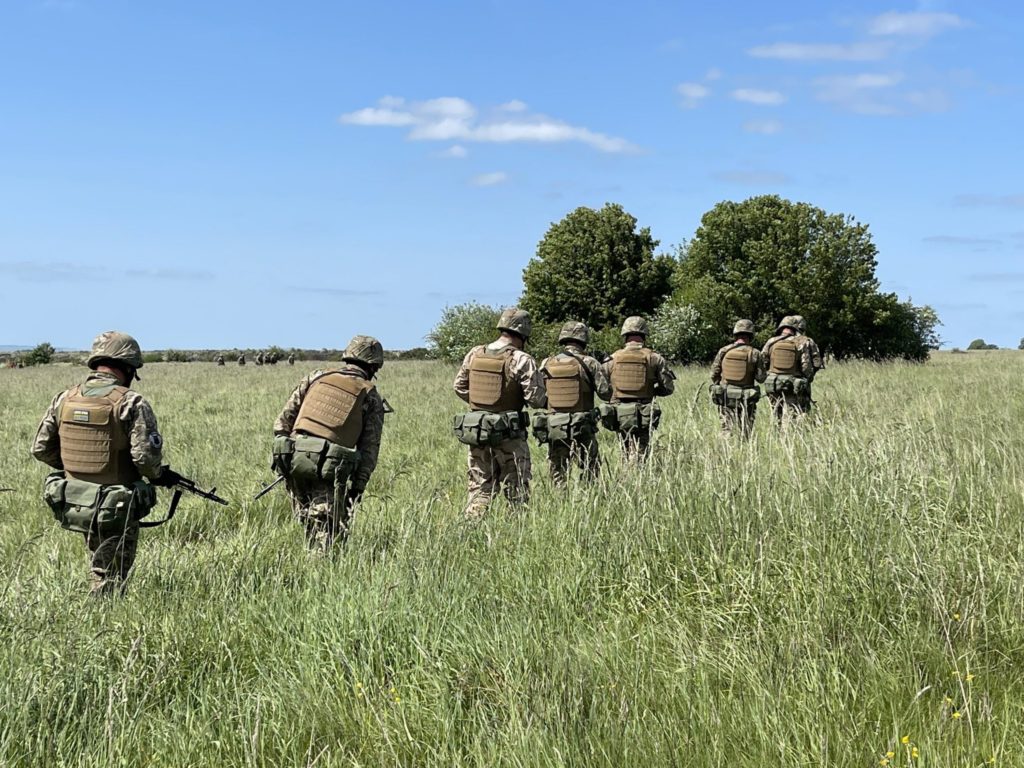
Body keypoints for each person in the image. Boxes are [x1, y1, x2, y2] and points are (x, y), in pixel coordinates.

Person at [30, 331, 181, 596]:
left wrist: (75, 469)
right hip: (116, 503)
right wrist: (156, 476)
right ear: (128, 367)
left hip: (77, 499)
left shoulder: (64, 398)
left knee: (98, 559)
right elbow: (145, 459)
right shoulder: (131, 402)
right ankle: (104, 617)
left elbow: (40, 448)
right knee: (111, 575)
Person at [272, 335, 386, 551]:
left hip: (293, 459)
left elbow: (282, 423)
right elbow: (369, 450)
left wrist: (288, 452)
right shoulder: (370, 395)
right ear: (374, 366)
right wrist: (358, 488)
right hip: (329, 469)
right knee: (328, 533)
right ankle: (319, 574)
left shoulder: (315, 377)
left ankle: (308, 562)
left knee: (307, 521)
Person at [453, 308, 546, 519]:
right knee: (516, 488)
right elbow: (536, 399)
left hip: (478, 432)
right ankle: (515, 533)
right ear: (523, 333)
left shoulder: (475, 353)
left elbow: (459, 386)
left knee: (479, 488)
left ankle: (471, 528)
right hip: (509, 435)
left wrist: (481, 405)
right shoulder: (522, 359)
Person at [536, 321, 611, 483]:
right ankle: (589, 498)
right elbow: (605, 393)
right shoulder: (590, 363)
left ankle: (559, 500)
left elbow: (539, 395)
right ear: (583, 340)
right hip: (582, 425)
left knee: (558, 470)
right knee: (591, 466)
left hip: (556, 426)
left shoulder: (546, 363)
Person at [601, 316, 675, 460]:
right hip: (644, 410)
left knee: (624, 448)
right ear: (644, 335)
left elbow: (603, 388)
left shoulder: (612, 359)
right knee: (641, 451)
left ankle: (626, 475)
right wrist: (653, 391)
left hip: (619, 412)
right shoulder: (654, 358)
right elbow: (668, 388)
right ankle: (637, 476)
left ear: (625, 335)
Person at [710, 319, 767, 438]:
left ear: (735, 334)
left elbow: (714, 374)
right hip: (746, 398)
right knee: (746, 430)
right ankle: (745, 452)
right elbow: (761, 378)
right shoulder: (755, 353)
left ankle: (725, 453)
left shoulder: (724, 350)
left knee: (726, 429)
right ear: (751, 335)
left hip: (726, 396)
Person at [762, 316, 815, 424]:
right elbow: (806, 367)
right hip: (791, 385)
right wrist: (807, 379)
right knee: (790, 417)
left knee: (776, 414)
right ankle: (786, 439)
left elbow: (763, 362)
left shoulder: (771, 342)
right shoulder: (801, 342)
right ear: (794, 328)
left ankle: (774, 437)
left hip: (773, 385)